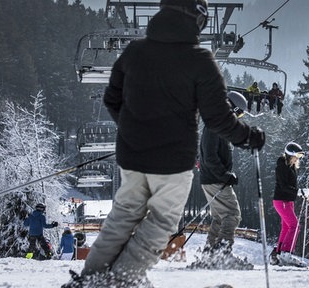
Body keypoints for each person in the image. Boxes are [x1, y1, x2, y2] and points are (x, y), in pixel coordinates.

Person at [65, 0, 266, 285]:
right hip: (171, 160)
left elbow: (112, 98)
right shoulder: (199, 60)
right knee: (161, 221)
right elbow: (218, 118)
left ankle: (92, 277)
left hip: (133, 156)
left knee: (123, 216)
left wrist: (135, 129)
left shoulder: (135, 52)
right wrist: (249, 136)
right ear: (196, 18)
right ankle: (122, 279)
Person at [189, 91, 253, 270]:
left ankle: (210, 255)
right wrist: (225, 175)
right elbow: (209, 157)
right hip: (216, 179)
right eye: (239, 113)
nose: (238, 118)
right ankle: (223, 254)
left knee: (219, 217)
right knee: (232, 214)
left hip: (212, 178)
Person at [271, 142, 304, 265]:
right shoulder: (282, 166)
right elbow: (283, 186)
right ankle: (286, 252)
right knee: (294, 226)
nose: (298, 158)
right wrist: (298, 191)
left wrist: (299, 193)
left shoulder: (291, 166)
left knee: (286, 227)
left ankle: (278, 254)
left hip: (288, 201)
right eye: (298, 156)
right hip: (282, 200)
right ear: (291, 154)